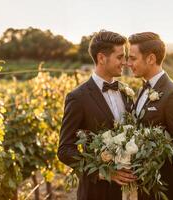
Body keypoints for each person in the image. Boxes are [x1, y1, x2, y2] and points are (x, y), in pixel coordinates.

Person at [58, 30, 136, 200]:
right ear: (101, 58)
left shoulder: (126, 92)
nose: (125, 62)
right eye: (120, 57)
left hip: (130, 191)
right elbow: (64, 150)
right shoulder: (77, 98)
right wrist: (103, 172)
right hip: (96, 192)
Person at [127, 32, 173, 200]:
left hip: (167, 190)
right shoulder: (144, 88)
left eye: (133, 58)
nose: (128, 63)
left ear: (150, 59)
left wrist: (148, 156)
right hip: (147, 187)